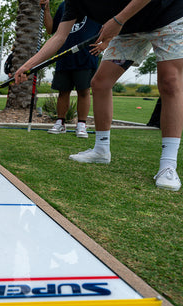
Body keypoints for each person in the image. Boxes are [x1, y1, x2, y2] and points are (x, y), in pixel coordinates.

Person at [14, 0, 183, 191]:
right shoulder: (72, 3)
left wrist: (118, 21)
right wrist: (29, 65)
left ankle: (168, 165)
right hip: (128, 27)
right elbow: (59, 36)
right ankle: (101, 150)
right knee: (100, 83)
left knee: (170, 82)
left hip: (168, 16)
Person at [42, 0, 100, 138]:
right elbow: (51, 29)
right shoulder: (64, 5)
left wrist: (104, 44)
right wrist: (46, 9)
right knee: (63, 92)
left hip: (86, 55)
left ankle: (81, 125)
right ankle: (60, 122)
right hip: (64, 56)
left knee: (84, 91)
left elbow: (109, 26)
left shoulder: (97, 4)